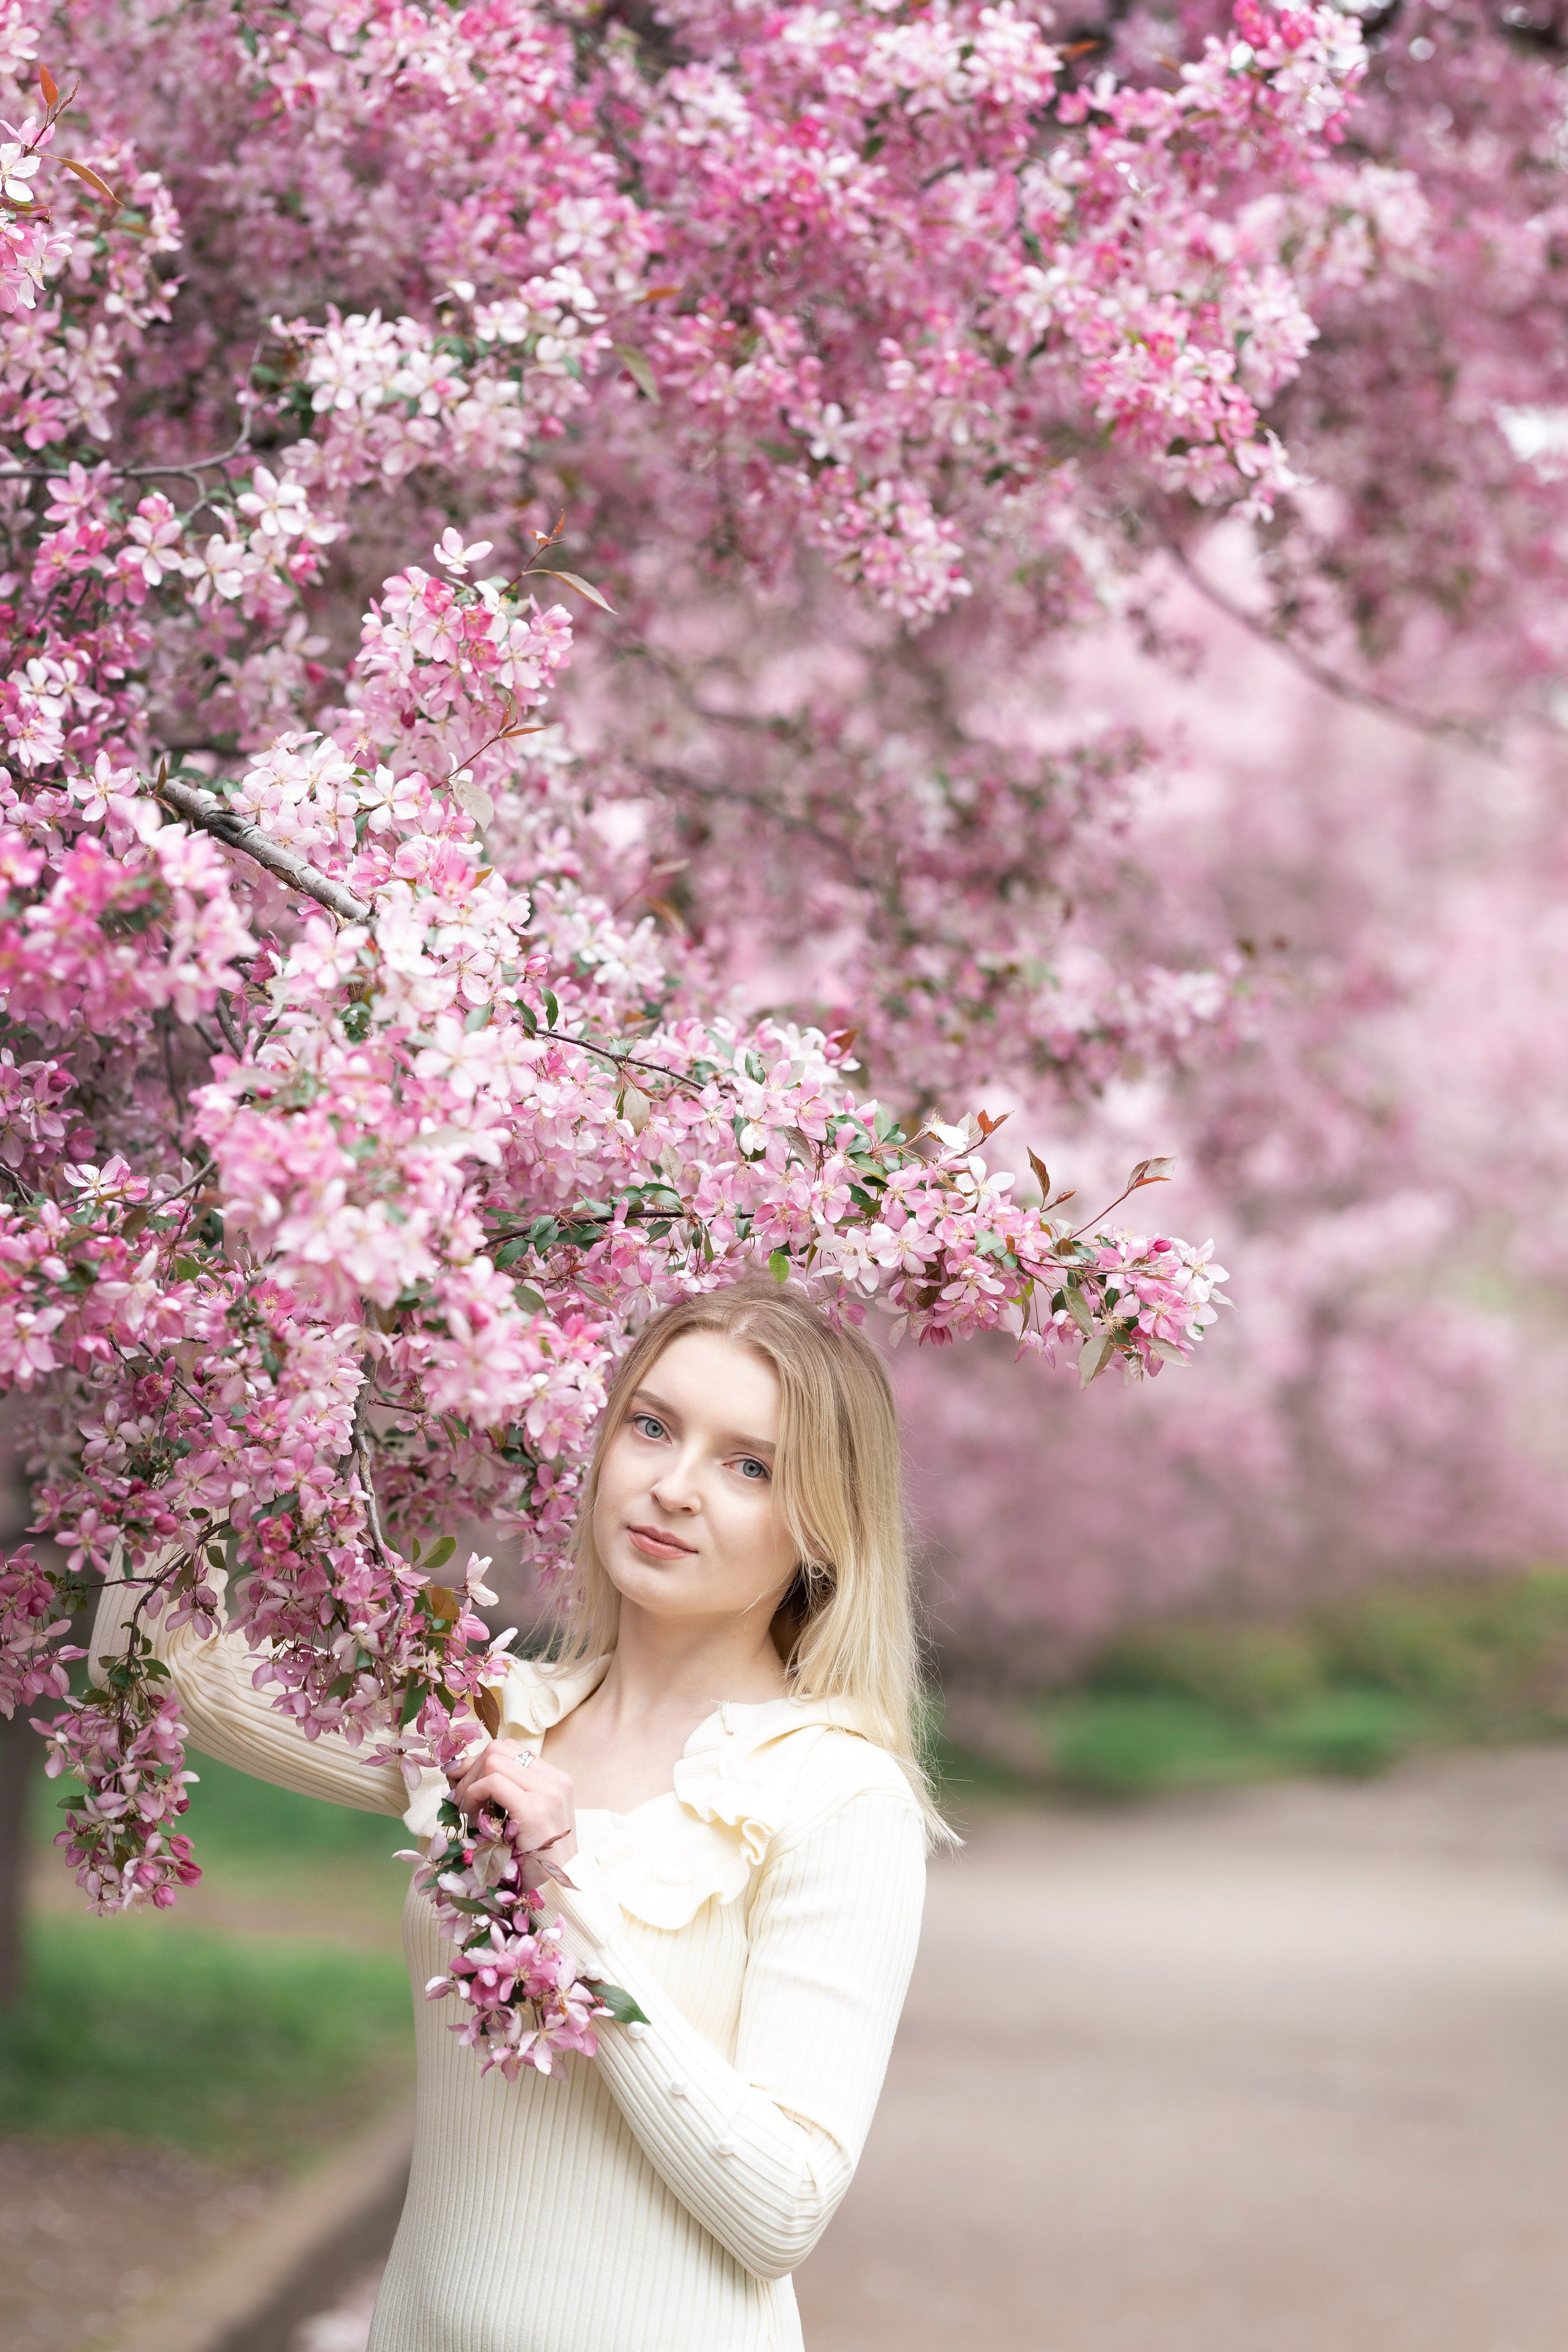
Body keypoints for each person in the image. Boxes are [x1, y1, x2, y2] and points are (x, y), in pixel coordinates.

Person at [90, 1277, 943, 2352]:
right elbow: (164, 1665)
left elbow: (782, 2208)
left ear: (823, 1523)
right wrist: (225, 1364)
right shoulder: (489, 1722)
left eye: (748, 1465)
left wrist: (570, 1909)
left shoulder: (836, 1796)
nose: (674, 1486)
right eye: (651, 1426)